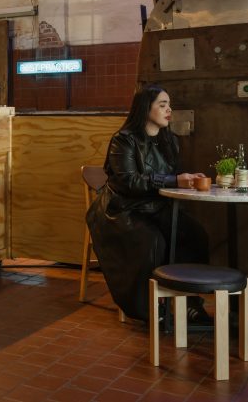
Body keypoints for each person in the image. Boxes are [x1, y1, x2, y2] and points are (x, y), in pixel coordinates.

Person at [86, 84, 212, 326]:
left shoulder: (170, 140)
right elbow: (129, 181)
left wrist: (187, 180)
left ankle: (190, 303)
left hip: (156, 208)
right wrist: (174, 180)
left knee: (194, 234)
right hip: (123, 210)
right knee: (153, 241)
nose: (169, 110)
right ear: (145, 108)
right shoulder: (123, 140)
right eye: (162, 105)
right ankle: (150, 308)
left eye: (169, 105)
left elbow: (172, 177)